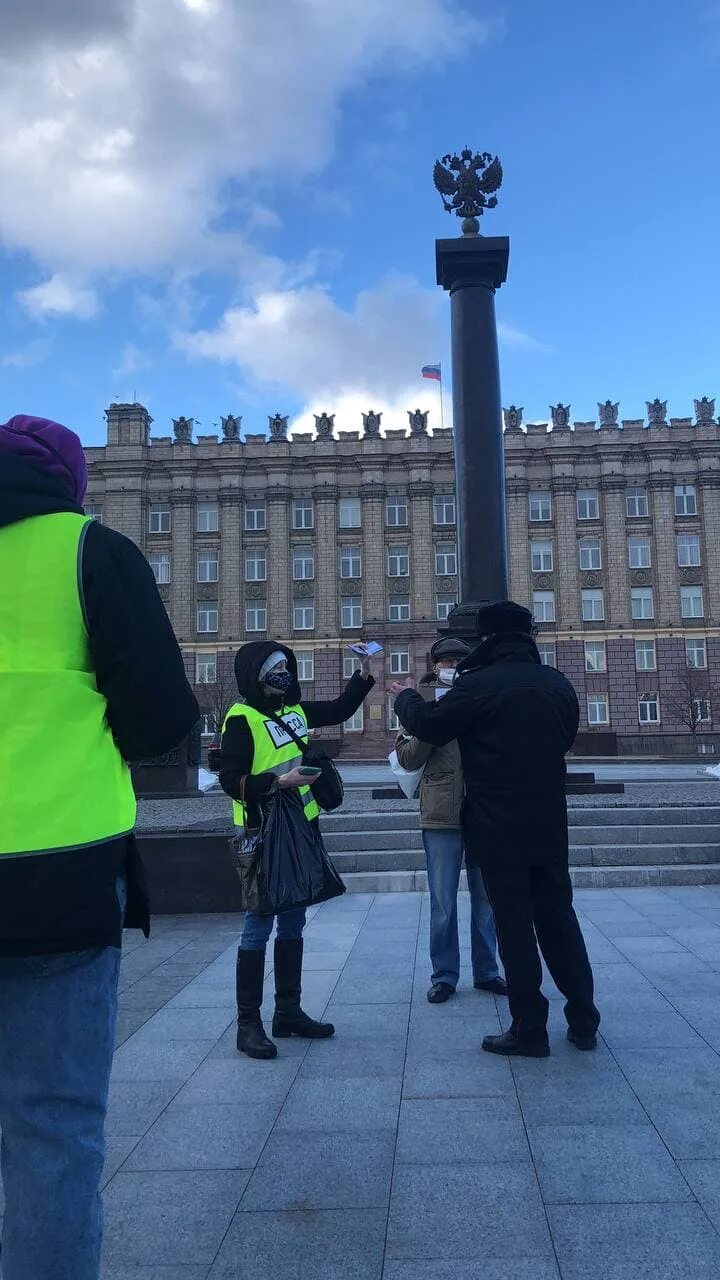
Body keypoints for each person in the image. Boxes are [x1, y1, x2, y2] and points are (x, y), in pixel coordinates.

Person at [0, 415, 199, 1280]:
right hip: (59, 883)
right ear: (75, 482)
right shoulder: (92, 551)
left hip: (60, 885)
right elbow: (160, 721)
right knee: (52, 1128)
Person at [392, 600, 600, 1058]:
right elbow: (564, 739)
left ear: (486, 641)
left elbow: (429, 723)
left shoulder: (477, 686)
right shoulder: (557, 684)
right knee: (559, 919)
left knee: (515, 926)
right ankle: (584, 1019)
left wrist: (405, 695)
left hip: (495, 825)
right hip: (548, 823)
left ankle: (529, 1029)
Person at [218, 641, 374, 1060]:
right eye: (275, 668)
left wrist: (363, 674)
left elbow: (340, 710)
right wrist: (278, 784)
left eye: (286, 667)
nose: (283, 673)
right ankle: (248, 1024)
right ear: (256, 675)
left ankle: (288, 1011)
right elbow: (230, 779)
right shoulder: (241, 718)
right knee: (257, 925)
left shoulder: (295, 713)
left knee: (293, 922)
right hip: (262, 831)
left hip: (302, 831)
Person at [395, 637, 507, 1004]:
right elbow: (409, 759)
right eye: (445, 661)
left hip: (481, 811)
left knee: (486, 898)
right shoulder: (421, 704)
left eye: (459, 661)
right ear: (434, 666)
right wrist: (429, 724)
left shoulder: (481, 698)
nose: (452, 667)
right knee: (443, 901)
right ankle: (443, 975)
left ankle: (487, 970)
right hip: (440, 813)